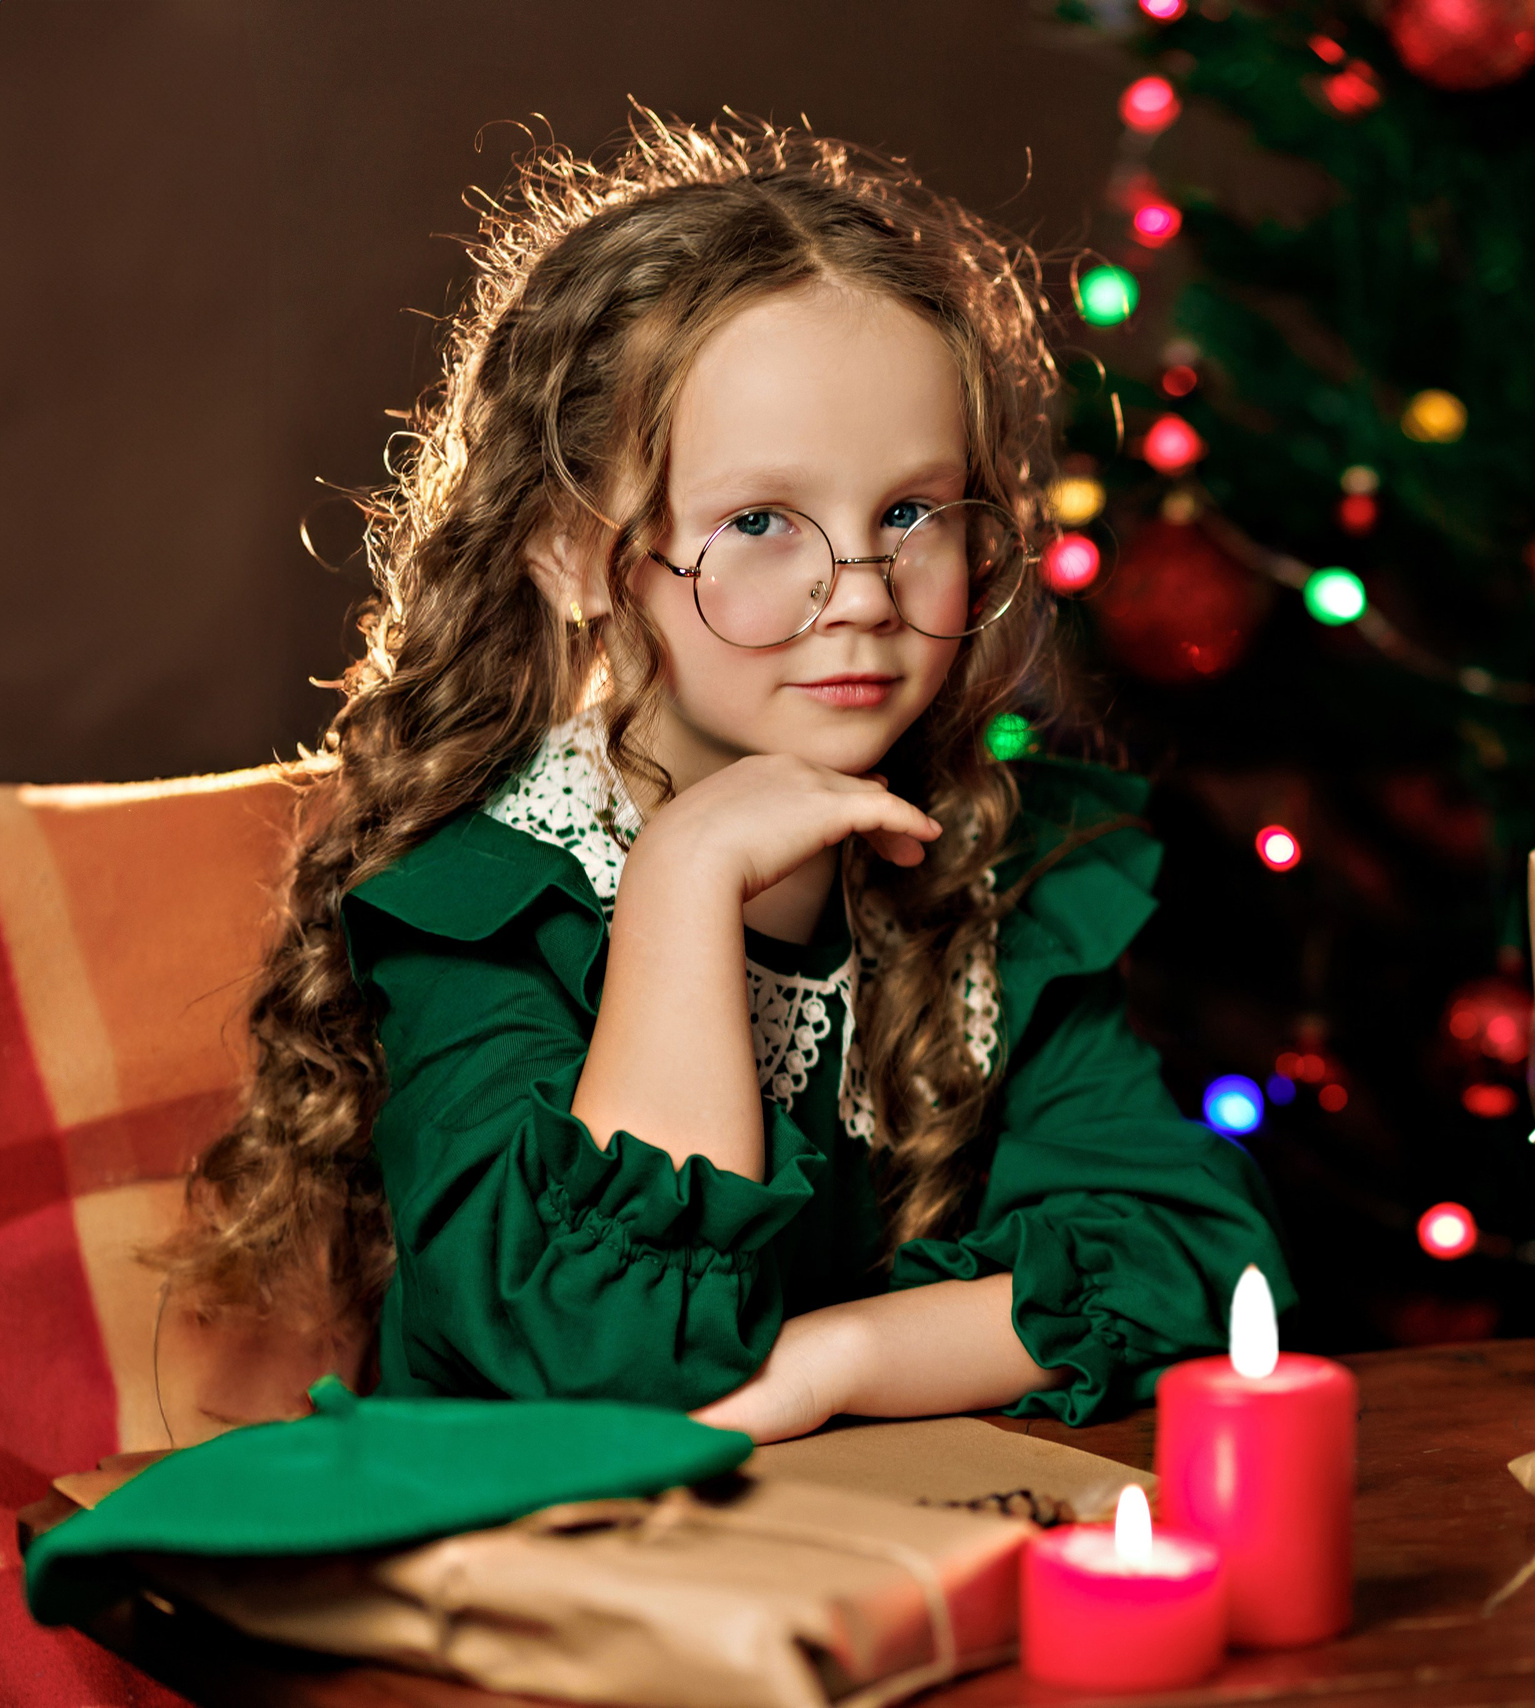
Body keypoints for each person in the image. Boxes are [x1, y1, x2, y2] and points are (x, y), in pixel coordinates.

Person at [161, 109, 1293, 1443]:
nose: (859, 593)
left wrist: (834, 1365)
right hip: (552, 1595)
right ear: (575, 554)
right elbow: (609, 1373)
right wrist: (685, 879)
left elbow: (1202, 1275)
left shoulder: (1001, 864)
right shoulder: (484, 902)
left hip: (863, 1559)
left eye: (912, 514)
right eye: (760, 522)